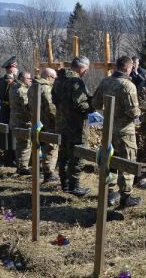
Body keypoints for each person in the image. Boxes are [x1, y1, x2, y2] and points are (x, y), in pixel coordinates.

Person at [93, 56, 142, 208]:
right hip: (125, 131)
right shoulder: (128, 85)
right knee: (127, 162)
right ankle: (126, 197)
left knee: (110, 160)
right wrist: (143, 108)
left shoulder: (105, 81)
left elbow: (95, 103)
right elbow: (133, 112)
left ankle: (109, 192)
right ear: (128, 68)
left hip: (108, 129)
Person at [52, 56, 94, 197]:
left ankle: (64, 184)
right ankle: (74, 186)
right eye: (86, 70)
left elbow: (54, 99)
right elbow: (81, 105)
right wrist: (92, 106)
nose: (86, 73)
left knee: (63, 155)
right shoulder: (76, 82)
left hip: (61, 124)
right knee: (77, 156)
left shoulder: (59, 79)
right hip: (76, 126)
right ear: (81, 67)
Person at [28, 68, 59, 183]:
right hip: (48, 122)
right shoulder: (46, 88)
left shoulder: (32, 87)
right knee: (52, 146)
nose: (55, 81)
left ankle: (38, 169)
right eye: (54, 78)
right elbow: (51, 107)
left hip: (36, 121)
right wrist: (56, 119)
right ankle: (48, 173)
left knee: (38, 145)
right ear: (48, 77)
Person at [9, 71, 32, 175]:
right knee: (25, 145)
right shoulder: (22, 90)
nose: (31, 80)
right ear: (22, 79)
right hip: (23, 121)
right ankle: (23, 167)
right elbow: (27, 107)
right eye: (29, 78)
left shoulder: (13, 88)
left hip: (15, 120)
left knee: (19, 144)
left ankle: (19, 166)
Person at [0, 56, 19, 166]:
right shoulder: (9, 81)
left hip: (5, 110)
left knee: (8, 134)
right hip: (10, 110)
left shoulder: (2, 80)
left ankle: (9, 158)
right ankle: (11, 159)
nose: (17, 70)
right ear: (12, 68)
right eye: (16, 67)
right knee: (11, 134)